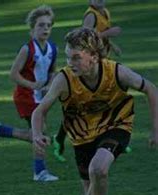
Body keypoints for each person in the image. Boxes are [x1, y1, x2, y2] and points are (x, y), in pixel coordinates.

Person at [31, 27, 157, 195]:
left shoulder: (116, 71)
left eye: (76, 57)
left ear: (94, 57)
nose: (71, 62)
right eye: (68, 57)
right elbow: (40, 111)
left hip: (116, 127)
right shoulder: (64, 79)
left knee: (98, 169)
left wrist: (155, 130)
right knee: (92, 193)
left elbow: (151, 89)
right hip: (81, 138)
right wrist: (37, 134)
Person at [0, 5, 58, 182]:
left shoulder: (53, 48)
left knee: (37, 134)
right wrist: (33, 85)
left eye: (48, 25)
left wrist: (50, 84)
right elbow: (13, 74)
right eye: (41, 25)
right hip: (25, 97)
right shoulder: (27, 49)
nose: (45, 29)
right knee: (40, 133)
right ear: (32, 29)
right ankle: (39, 172)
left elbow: (53, 71)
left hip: (41, 97)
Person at [52, 0, 124, 162]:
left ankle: (113, 137)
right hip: (87, 65)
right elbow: (85, 38)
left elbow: (98, 37)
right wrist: (109, 34)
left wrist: (111, 45)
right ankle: (61, 136)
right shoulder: (91, 15)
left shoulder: (104, 12)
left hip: (100, 62)